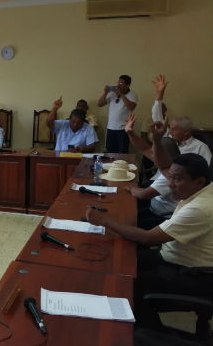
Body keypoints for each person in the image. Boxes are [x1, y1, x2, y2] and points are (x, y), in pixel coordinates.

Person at [86, 122, 212, 331]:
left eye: (177, 179)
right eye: (171, 177)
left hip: (193, 274)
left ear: (198, 181)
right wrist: (156, 138)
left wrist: (104, 220)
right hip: (176, 256)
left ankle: (148, 334)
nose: (171, 183)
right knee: (118, 261)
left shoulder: (200, 208)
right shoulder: (202, 187)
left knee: (124, 284)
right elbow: (163, 166)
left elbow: (147, 238)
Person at [124, 113, 180, 229]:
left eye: (155, 153)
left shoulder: (171, 175)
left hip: (163, 217)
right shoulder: (169, 161)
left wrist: (130, 187)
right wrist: (130, 132)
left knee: (127, 222)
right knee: (126, 210)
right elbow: (144, 148)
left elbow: (143, 194)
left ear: (165, 155)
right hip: (154, 205)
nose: (152, 156)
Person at [98, 75, 137, 153]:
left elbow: (131, 107)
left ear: (128, 85)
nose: (118, 85)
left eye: (121, 84)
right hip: (111, 128)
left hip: (123, 129)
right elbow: (99, 104)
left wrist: (121, 94)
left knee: (122, 152)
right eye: (118, 83)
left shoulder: (132, 95)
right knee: (110, 152)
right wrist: (105, 93)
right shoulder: (112, 93)